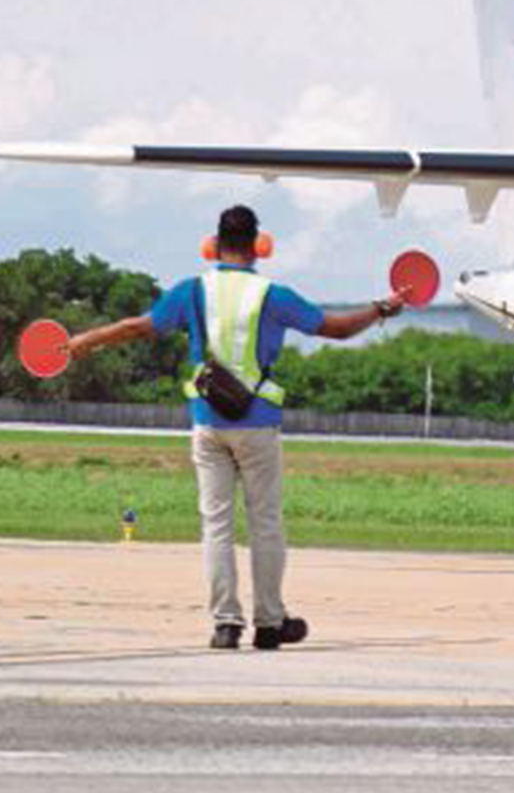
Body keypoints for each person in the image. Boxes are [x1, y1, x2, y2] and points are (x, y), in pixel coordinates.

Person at [63, 205, 407, 650]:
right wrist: (382, 308)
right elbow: (337, 329)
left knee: (216, 525)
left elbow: (137, 328)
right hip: (259, 425)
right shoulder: (272, 294)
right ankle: (270, 622)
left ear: (215, 243)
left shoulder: (191, 292)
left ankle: (226, 624)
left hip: (207, 423)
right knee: (265, 523)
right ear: (257, 244)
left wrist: (85, 341)